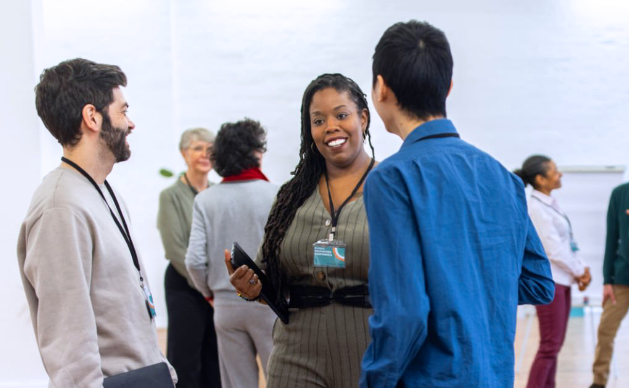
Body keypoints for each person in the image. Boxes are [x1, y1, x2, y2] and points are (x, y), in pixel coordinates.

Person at [358, 21, 555, 388]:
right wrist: (468, 291)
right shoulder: (504, 179)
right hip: (493, 377)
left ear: (381, 88)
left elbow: (405, 313)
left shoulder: (391, 179)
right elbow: (540, 282)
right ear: (448, 87)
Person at [17, 58, 176, 387]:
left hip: (147, 377)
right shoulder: (60, 208)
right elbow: (68, 347)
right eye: (123, 111)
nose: (130, 123)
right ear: (92, 117)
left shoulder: (101, 189)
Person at [225, 74, 377, 388]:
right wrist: (251, 288)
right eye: (318, 120)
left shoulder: (392, 188)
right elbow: (268, 273)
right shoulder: (292, 196)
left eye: (341, 115)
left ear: (363, 117)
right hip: (296, 353)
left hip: (371, 349)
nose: (331, 126)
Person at [185, 119, 278, 388]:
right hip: (268, 302)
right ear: (255, 153)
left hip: (225, 304)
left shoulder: (205, 199)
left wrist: (209, 293)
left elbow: (193, 260)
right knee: (281, 378)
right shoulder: (277, 194)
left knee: (236, 384)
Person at [514, 155, 591, 388]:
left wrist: (582, 268)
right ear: (540, 178)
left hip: (564, 280)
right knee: (549, 346)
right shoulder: (536, 207)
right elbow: (553, 250)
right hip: (552, 282)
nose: (560, 174)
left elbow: (568, 242)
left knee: (555, 345)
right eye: (555, 171)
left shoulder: (551, 203)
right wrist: (579, 271)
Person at [157, 128, 221, 388]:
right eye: (197, 148)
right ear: (184, 154)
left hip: (216, 286)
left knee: (215, 357)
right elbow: (175, 248)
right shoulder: (170, 196)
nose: (204, 154)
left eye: (209, 149)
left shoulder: (219, 193)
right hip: (184, 283)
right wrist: (205, 287)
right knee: (186, 358)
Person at [589, 145, 629, 388]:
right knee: (605, 330)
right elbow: (611, 237)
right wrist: (607, 279)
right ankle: (598, 382)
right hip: (623, 277)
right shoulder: (620, 193)